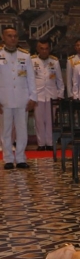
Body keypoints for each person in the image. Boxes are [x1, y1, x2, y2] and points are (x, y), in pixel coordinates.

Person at [0, 26, 37, 170]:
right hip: (4, 99)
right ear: (3, 37)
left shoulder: (25, 55)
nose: (13, 38)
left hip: (23, 99)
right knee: (5, 130)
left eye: (15, 36)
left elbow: (31, 78)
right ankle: (8, 158)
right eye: (9, 36)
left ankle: (21, 158)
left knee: (22, 130)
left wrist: (33, 97)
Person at [32, 39, 65, 151]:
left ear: (49, 49)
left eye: (46, 48)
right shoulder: (32, 61)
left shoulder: (54, 62)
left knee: (50, 120)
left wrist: (60, 94)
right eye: (42, 48)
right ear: (37, 49)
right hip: (38, 94)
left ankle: (50, 143)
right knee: (39, 120)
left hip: (51, 94)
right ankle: (41, 144)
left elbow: (60, 80)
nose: (44, 51)